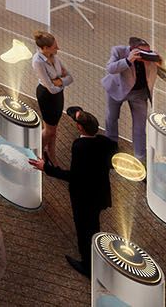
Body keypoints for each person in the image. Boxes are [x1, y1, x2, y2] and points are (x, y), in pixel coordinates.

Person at [32, 109, 115, 276]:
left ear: (80, 127)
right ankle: (96, 252)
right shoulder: (106, 142)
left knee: (84, 229)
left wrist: (46, 168)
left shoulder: (80, 146)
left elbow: (74, 176)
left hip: (84, 197)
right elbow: (113, 162)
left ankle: (87, 265)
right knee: (94, 224)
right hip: (100, 193)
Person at [102, 38, 166, 154]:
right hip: (117, 89)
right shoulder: (119, 51)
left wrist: (161, 65)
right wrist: (128, 60)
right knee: (111, 118)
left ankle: (140, 155)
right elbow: (110, 68)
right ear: (133, 50)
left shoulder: (151, 57)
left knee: (140, 127)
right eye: (142, 53)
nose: (146, 55)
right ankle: (111, 147)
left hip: (139, 94)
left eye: (148, 52)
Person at [28, 31, 75, 157]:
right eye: (55, 46)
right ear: (45, 48)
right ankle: (36, 153)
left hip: (58, 96)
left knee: (53, 129)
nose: (58, 48)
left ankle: (51, 152)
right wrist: (62, 82)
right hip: (47, 96)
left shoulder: (54, 56)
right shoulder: (38, 61)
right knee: (49, 131)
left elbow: (70, 77)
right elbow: (51, 89)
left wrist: (59, 82)